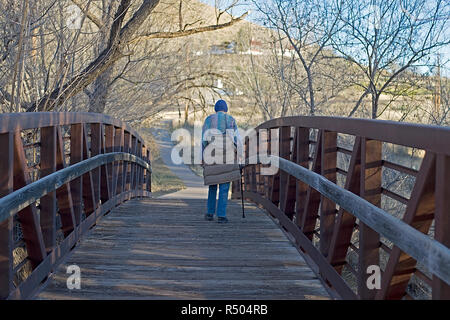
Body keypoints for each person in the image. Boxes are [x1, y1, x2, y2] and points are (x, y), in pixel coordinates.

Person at [201, 99, 242, 224]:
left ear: (215, 109)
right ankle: (222, 215)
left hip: (212, 154)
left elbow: (203, 140)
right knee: (224, 186)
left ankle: (209, 213)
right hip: (227, 155)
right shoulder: (231, 120)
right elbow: (237, 140)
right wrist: (239, 155)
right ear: (226, 109)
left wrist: (202, 157)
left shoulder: (209, 120)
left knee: (213, 184)